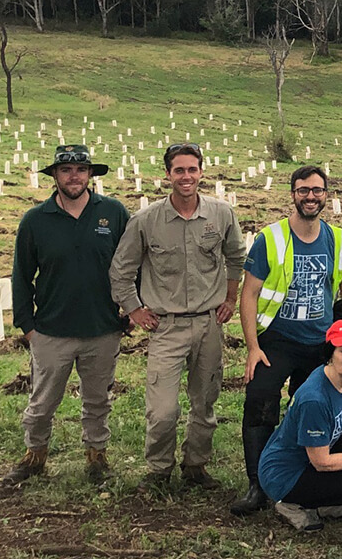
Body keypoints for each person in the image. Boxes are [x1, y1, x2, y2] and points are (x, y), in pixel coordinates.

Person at [110, 142, 247, 489]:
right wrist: (135, 309)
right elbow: (121, 270)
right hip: (167, 327)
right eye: (179, 170)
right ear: (168, 174)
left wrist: (230, 297)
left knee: (205, 401)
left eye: (192, 169)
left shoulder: (221, 214)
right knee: (163, 410)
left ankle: (195, 466)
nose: (186, 177)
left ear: (202, 171)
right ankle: (159, 470)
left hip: (208, 323)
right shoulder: (146, 220)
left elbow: (236, 258)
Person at [231, 165, 342, 515]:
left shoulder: (339, 239)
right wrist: (253, 347)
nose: (310, 197)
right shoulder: (270, 238)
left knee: (315, 410)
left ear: (326, 195)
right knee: (259, 400)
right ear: (293, 194)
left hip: (320, 344)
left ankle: (306, 477)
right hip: (278, 340)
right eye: (303, 190)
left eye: (317, 190)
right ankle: (259, 483)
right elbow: (250, 294)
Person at [2, 144, 130, 487]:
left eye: (80, 170)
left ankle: (97, 457)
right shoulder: (35, 220)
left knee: (97, 399)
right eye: (66, 170)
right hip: (51, 331)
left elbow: (133, 264)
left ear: (90, 175)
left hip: (102, 328)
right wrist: (27, 325)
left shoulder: (114, 213)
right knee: (42, 402)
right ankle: (34, 456)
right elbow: (21, 274)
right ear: (55, 176)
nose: (74, 176)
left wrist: (132, 309)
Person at [258, 320, 342, 532]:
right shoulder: (315, 399)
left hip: (311, 456)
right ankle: (295, 504)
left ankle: (325, 502)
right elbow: (322, 462)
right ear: (330, 353)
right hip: (286, 476)